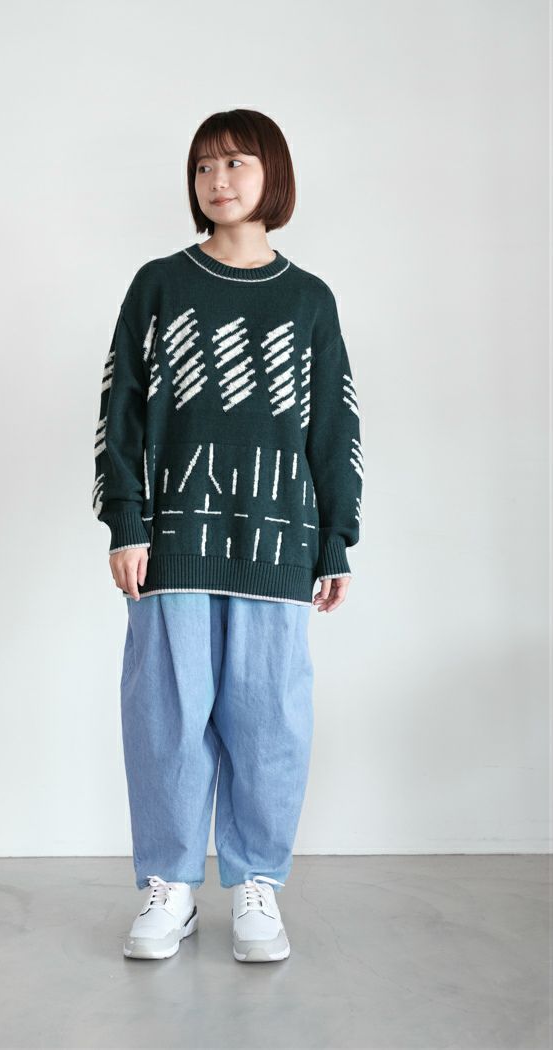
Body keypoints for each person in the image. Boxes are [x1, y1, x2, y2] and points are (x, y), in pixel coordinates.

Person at [92, 108, 364, 963]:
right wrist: (125, 521)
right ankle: (169, 886)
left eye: (237, 163)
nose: (218, 180)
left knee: (269, 719)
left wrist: (336, 538)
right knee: (165, 719)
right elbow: (120, 411)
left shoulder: (308, 299)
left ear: (271, 174)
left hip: (279, 542)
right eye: (205, 166)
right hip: (171, 540)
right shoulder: (159, 286)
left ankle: (256, 885)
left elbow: (334, 429)